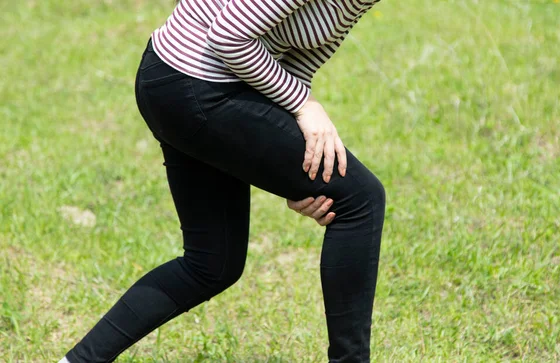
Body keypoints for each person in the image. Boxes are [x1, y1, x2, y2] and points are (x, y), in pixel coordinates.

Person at [60, 0, 385, 361]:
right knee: (362, 199)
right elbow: (229, 38)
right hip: (194, 83)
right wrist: (304, 106)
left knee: (213, 264)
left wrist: (293, 174)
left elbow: (299, 59)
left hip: (186, 85)